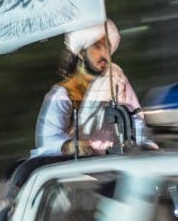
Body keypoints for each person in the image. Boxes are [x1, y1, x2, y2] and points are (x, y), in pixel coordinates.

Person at [33, 19, 145, 156]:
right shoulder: (64, 94)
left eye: (108, 47)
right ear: (81, 52)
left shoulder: (117, 82)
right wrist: (71, 146)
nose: (105, 54)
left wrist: (144, 144)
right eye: (97, 46)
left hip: (118, 163)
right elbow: (47, 141)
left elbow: (137, 122)